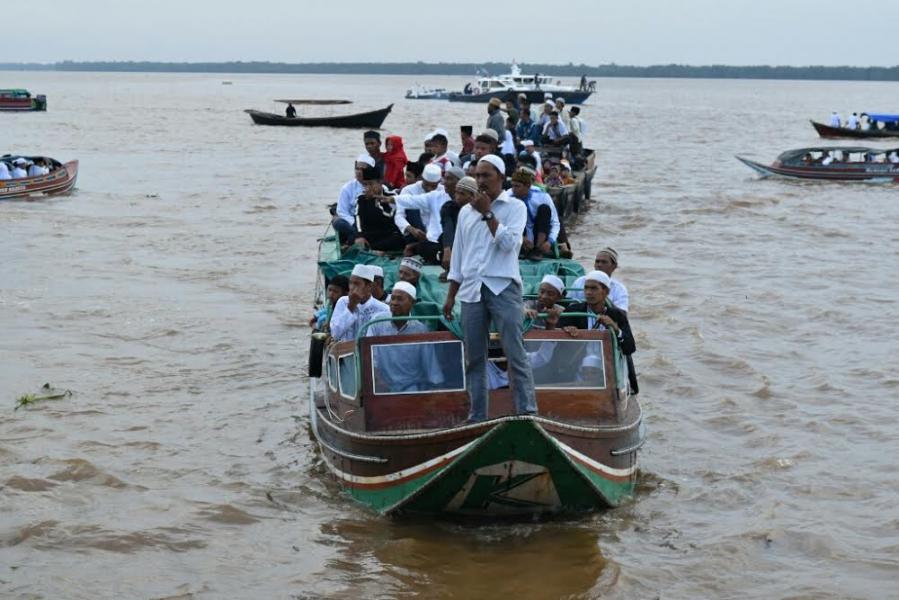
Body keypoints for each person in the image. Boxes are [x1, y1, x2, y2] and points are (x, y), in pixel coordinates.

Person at [443, 154, 537, 422]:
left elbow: (509, 245)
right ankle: (477, 417)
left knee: (514, 352)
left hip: (503, 287)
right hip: (471, 290)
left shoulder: (515, 207)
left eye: (487, 175)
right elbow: (459, 257)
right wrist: (451, 295)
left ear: (501, 178)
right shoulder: (464, 212)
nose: (481, 181)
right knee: (474, 358)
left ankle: (527, 413)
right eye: (478, 175)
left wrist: (488, 213)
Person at [558, 270, 638, 392]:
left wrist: (615, 329)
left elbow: (630, 348)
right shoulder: (573, 311)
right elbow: (557, 343)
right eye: (586, 288)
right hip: (578, 368)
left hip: (608, 368)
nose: (589, 292)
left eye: (594, 288)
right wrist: (566, 331)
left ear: (606, 292)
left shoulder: (617, 315)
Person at [367, 282, 444, 393]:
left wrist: (438, 390)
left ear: (412, 303)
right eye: (392, 299)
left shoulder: (420, 330)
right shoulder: (377, 322)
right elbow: (370, 358)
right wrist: (378, 381)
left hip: (410, 388)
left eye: (400, 299)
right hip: (380, 385)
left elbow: (430, 364)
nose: (394, 303)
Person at [394, 166, 461, 262]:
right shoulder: (408, 190)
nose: (430, 189)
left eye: (434, 186)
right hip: (415, 232)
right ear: (421, 178)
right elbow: (399, 216)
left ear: (439, 182)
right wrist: (412, 229)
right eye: (427, 185)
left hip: (438, 237)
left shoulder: (444, 190)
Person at [508, 168, 561, 260]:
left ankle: (537, 249)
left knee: (544, 209)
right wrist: (521, 238)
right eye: (512, 186)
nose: (513, 190)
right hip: (519, 236)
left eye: (517, 186)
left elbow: (555, 223)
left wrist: (549, 242)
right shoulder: (508, 197)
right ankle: (523, 249)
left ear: (528, 186)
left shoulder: (542, 196)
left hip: (538, 234)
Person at [329, 264, 391, 342]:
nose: (351, 287)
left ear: (369, 287)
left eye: (356, 283)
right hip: (345, 352)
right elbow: (335, 334)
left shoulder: (383, 309)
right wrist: (351, 307)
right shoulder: (343, 302)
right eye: (350, 283)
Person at [354, 165, 405, 252]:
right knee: (357, 241)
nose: (368, 188)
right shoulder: (361, 198)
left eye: (371, 184)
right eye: (365, 184)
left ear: (380, 182)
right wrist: (360, 236)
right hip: (369, 235)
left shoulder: (391, 196)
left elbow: (391, 216)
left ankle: (373, 250)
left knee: (398, 239)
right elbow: (357, 219)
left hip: (387, 234)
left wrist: (378, 201)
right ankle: (372, 249)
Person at [333, 154, 375, 246]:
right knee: (338, 222)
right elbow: (342, 212)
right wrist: (355, 224)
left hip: (370, 223)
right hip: (352, 223)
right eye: (357, 169)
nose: (359, 172)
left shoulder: (378, 186)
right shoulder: (347, 188)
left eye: (362, 169)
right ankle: (356, 238)